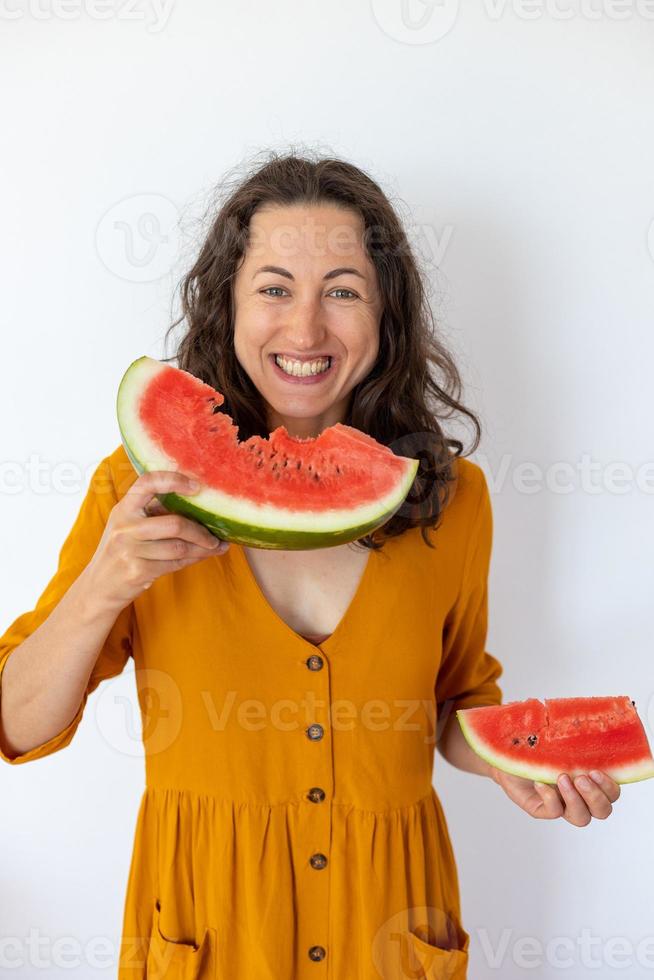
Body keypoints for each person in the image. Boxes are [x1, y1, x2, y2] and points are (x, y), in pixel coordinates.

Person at [0, 151, 620, 979]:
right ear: (227, 305)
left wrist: (520, 763)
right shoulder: (139, 489)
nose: (305, 330)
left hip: (392, 924)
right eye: (273, 287)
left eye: (342, 290)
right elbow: (18, 722)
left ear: (385, 314)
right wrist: (102, 586)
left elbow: (454, 704)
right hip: (210, 931)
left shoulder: (454, 499)